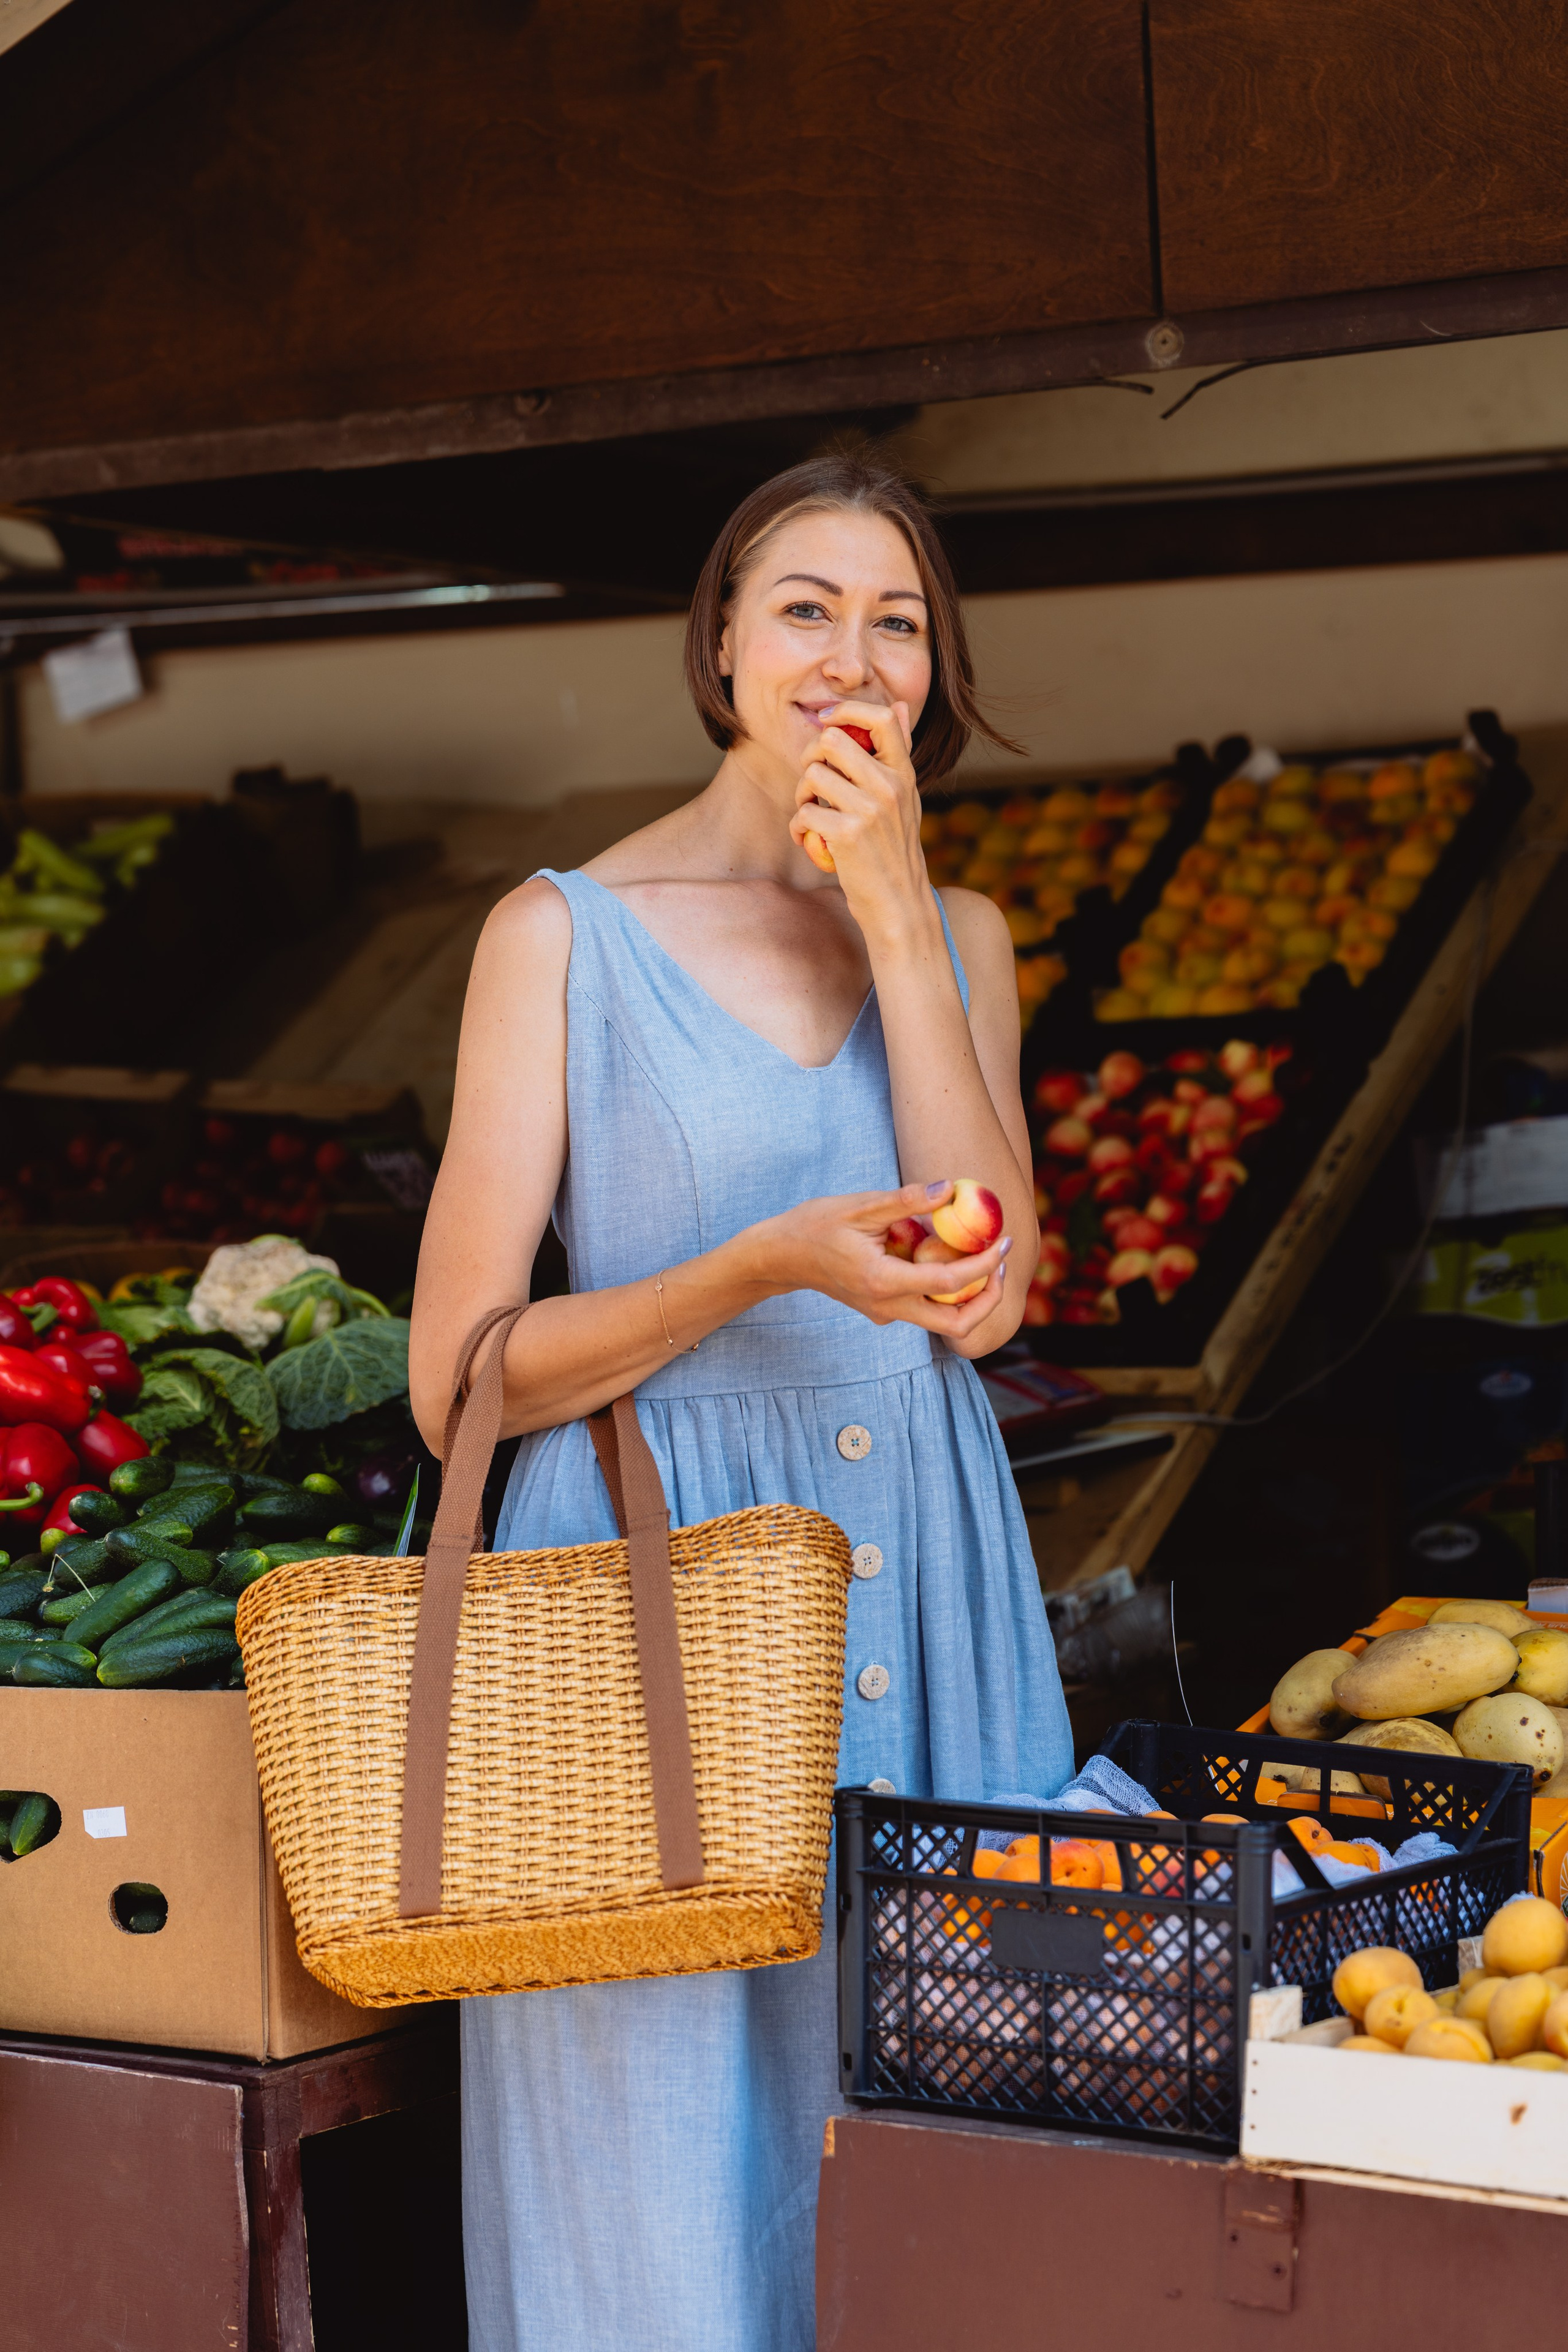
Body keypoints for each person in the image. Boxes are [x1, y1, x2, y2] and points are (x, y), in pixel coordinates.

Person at [409, 447, 1072, 2352]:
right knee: (653, 2187)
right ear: (720, 647)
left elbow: (989, 1288)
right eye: (805, 610)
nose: (849, 659)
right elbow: (460, 1379)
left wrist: (892, 906)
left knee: (943, 2160)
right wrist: (758, 1265)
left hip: (923, 1592)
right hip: (648, 1613)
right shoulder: (562, 936)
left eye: (896, 623)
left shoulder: (961, 939)